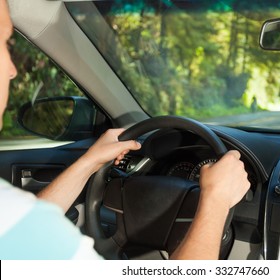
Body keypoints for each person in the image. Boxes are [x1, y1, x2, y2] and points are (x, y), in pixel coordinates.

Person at [0, 0, 250, 260]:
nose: (12, 70)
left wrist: (90, 161)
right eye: (5, 43)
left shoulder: (13, 218)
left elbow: (30, 224)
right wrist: (215, 200)